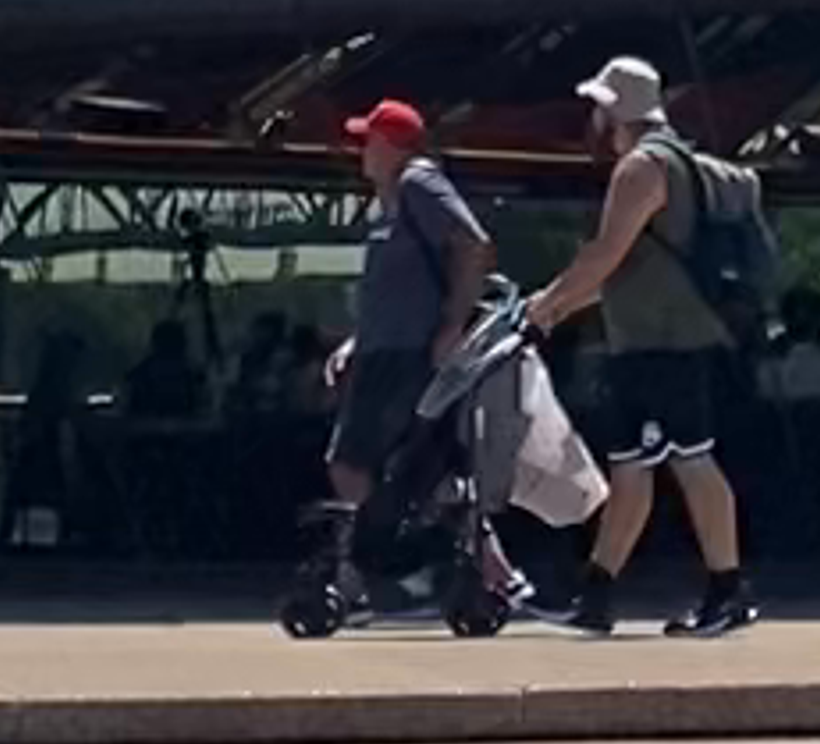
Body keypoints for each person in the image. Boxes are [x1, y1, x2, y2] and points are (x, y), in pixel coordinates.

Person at [523, 49, 758, 638]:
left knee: (691, 459)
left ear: (612, 110)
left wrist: (547, 303)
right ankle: (598, 593)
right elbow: (626, 269)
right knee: (632, 466)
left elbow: (605, 256)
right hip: (650, 335)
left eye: (597, 109)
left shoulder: (640, 169)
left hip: (664, 340)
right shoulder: (679, 162)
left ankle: (727, 589)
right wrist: (558, 305)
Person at [324, 99, 510, 615]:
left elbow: (474, 244)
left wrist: (453, 322)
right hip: (384, 348)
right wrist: (356, 341)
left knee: (352, 463)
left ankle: (374, 571)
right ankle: (491, 572)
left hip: (408, 352)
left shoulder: (419, 184)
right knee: (426, 470)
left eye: (369, 140)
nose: (361, 151)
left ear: (391, 146)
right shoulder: (389, 203)